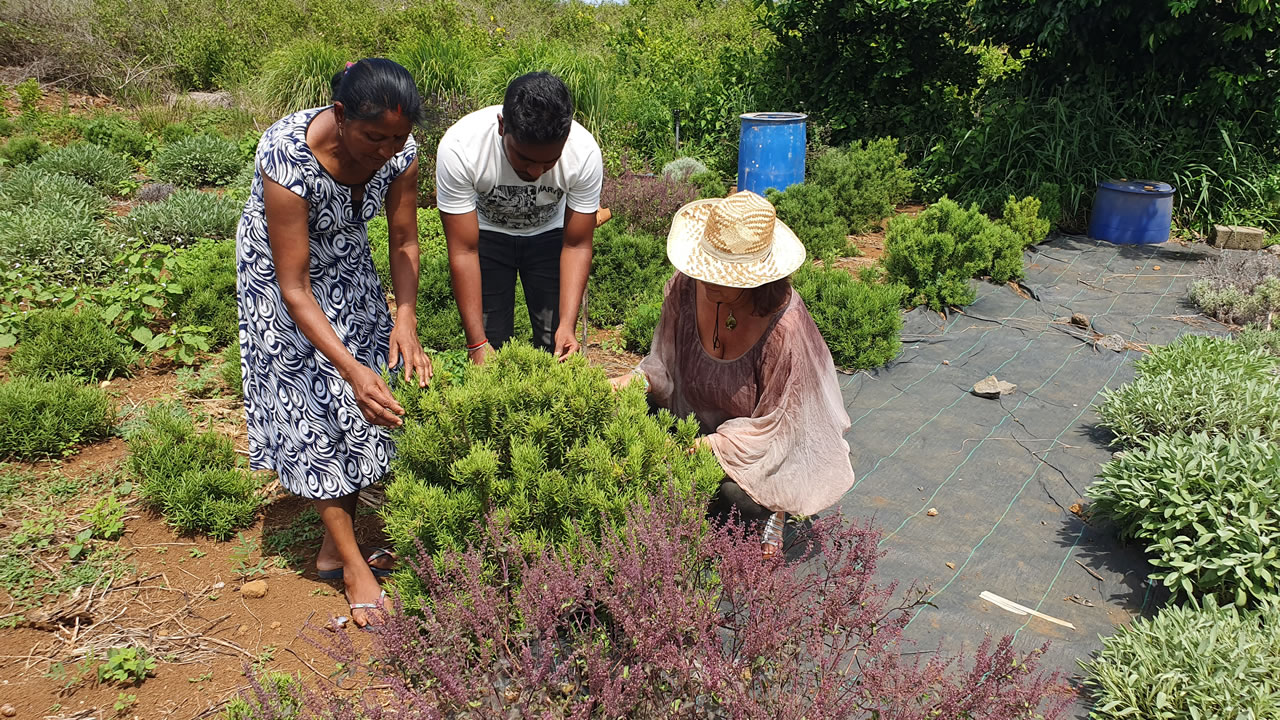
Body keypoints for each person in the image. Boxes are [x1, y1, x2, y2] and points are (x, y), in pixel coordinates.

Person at [235, 58, 431, 626]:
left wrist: (407, 317)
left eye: (398, 139)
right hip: (281, 281)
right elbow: (293, 286)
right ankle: (350, 564)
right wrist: (348, 366)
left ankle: (329, 550)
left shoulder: (401, 152)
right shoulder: (287, 155)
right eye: (375, 137)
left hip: (347, 266)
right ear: (341, 115)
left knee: (367, 409)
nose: (386, 151)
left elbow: (403, 239)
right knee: (315, 412)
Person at [611, 191, 856, 558]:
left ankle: (776, 510)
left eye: (724, 274)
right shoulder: (684, 286)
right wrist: (630, 383)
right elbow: (662, 363)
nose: (706, 281)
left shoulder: (784, 328)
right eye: (706, 266)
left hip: (759, 444)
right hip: (693, 420)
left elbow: (779, 430)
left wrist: (694, 449)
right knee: (621, 423)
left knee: (738, 499)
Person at [435, 71, 603, 363]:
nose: (536, 173)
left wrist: (567, 325)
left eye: (549, 162)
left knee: (558, 346)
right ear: (502, 127)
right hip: (485, 237)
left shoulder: (584, 153)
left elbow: (576, 245)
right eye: (524, 159)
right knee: (490, 344)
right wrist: (476, 343)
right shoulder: (461, 148)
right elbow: (463, 249)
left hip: (551, 237)